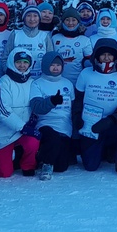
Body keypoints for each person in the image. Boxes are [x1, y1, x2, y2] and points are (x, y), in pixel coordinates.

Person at [73, 38, 117, 174]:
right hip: (91, 123)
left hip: (113, 122)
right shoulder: (86, 73)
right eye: (103, 54)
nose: (106, 58)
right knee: (90, 166)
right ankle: (102, 150)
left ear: (116, 56)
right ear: (96, 55)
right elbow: (78, 99)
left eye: (110, 54)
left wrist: (112, 119)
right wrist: (78, 117)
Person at [0, 50, 40, 178]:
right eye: (18, 62)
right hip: (6, 130)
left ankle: (28, 165)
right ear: (12, 63)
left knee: (33, 141)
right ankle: (5, 157)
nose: (22, 65)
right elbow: (3, 111)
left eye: (25, 62)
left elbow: (36, 103)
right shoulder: (4, 82)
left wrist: (34, 118)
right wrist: (22, 127)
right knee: (4, 173)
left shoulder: (32, 82)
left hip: (25, 128)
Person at [29, 52, 74, 180]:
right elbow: (36, 106)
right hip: (45, 124)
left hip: (64, 126)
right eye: (52, 65)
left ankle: (44, 157)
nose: (55, 68)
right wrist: (51, 102)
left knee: (61, 167)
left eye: (58, 65)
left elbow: (74, 107)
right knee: (52, 138)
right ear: (45, 65)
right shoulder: (37, 83)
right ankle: (46, 164)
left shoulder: (68, 84)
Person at [1, 6, 51, 81]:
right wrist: (11, 75)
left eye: (35, 16)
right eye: (28, 16)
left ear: (39, 18)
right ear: (24, 18)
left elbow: (50, 60)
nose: (32, 19)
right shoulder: (15, 34)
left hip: (39, 81)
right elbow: (5, 58)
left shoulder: (44, 36)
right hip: (18, 81)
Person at [52, 8, 94, 85]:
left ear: (78, 22)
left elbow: (89, 59)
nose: (70, 23)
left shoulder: (85, 40)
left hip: (77, 81)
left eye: (74, 20)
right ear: (63, 21)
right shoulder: (55, 38)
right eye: (67, 20)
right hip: (56, 80)